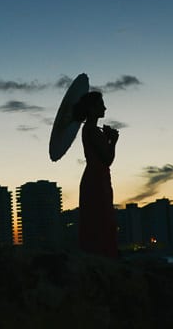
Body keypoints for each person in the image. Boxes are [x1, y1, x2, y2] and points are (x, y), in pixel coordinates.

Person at [73, 91, 119, 258]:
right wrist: (113, 141)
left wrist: (107, 139)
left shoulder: (89, 129)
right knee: (102, 218)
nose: (104, 107)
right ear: (92, 109)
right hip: (97, 179)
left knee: (96, 218)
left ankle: (97, 252)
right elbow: (107, 159)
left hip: (94, 177)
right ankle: (104, 254)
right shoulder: (92, 130)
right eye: (100, 104)